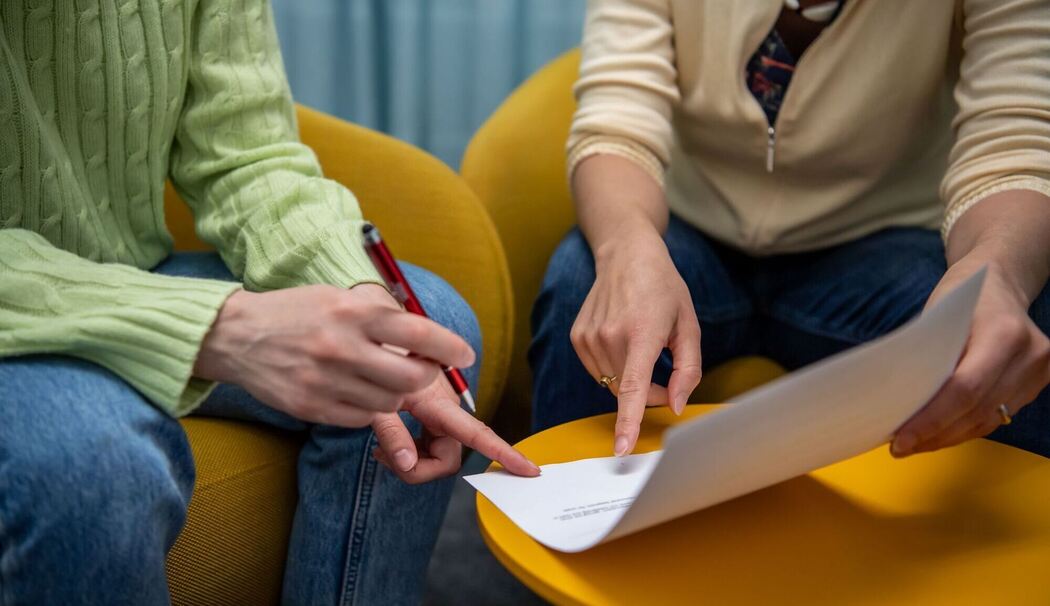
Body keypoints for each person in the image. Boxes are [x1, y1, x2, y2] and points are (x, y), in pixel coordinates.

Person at [0, 1, 538, 604]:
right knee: (93, 473)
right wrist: (221, 329)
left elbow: (245, 154)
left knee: (414, 336)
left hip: (126, 265)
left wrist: (353, 283)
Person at [531, 0, 1050, 459]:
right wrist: (628, 246)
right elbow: (617, 121)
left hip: (879, 238)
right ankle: (567, 542)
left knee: (1002, 334)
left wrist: (996, 271)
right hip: (695, 224)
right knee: (584, 284)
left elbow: (1015, 144)